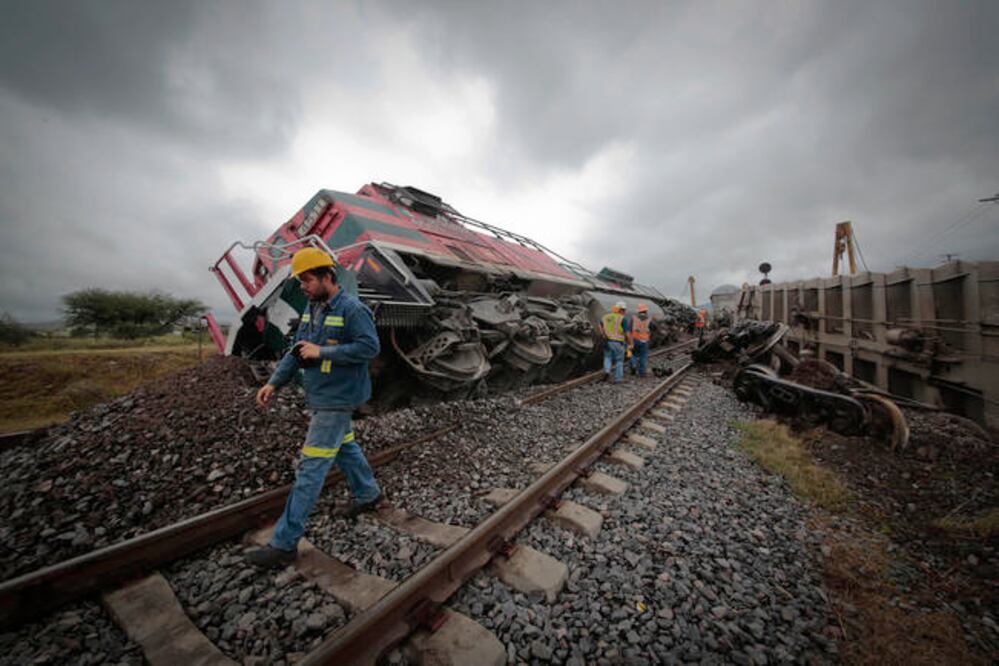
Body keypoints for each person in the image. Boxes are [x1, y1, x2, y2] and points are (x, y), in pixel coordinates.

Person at [246, 247, 383, 569]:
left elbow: (369, 347)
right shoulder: (312, 308)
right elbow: (298, 350)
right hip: (321, 395)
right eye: (301, 281)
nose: (303, 286)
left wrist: (322, 352)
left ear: (327, 276)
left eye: (307, 280)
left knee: (311, 468)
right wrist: (274, 383)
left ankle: (284, 544)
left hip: (338, 398)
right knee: (345, 446)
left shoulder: (353, 309)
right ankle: (369, 494)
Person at [600, 301, 630, 384]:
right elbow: (627, 333)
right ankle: (618, 379)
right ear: (621, 310)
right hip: (618, 342)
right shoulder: (622, 318)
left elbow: (600, 325)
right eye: (624, 310)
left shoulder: (606, 317)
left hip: (607, 341)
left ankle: (607, 371)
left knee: (607, 357)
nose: (625, 312)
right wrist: (630, 343)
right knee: (619, 360)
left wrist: (603, 334)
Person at [629, 303, 651, 377]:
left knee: (634, 354)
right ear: (646, 311)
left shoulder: (633, 318)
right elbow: (653, 328)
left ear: (638, 311)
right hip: (645, 341)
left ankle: (633, 365)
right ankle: (642, 372)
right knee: (643, 356)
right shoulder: (649, 319)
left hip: (635, 340)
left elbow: (629, 329)